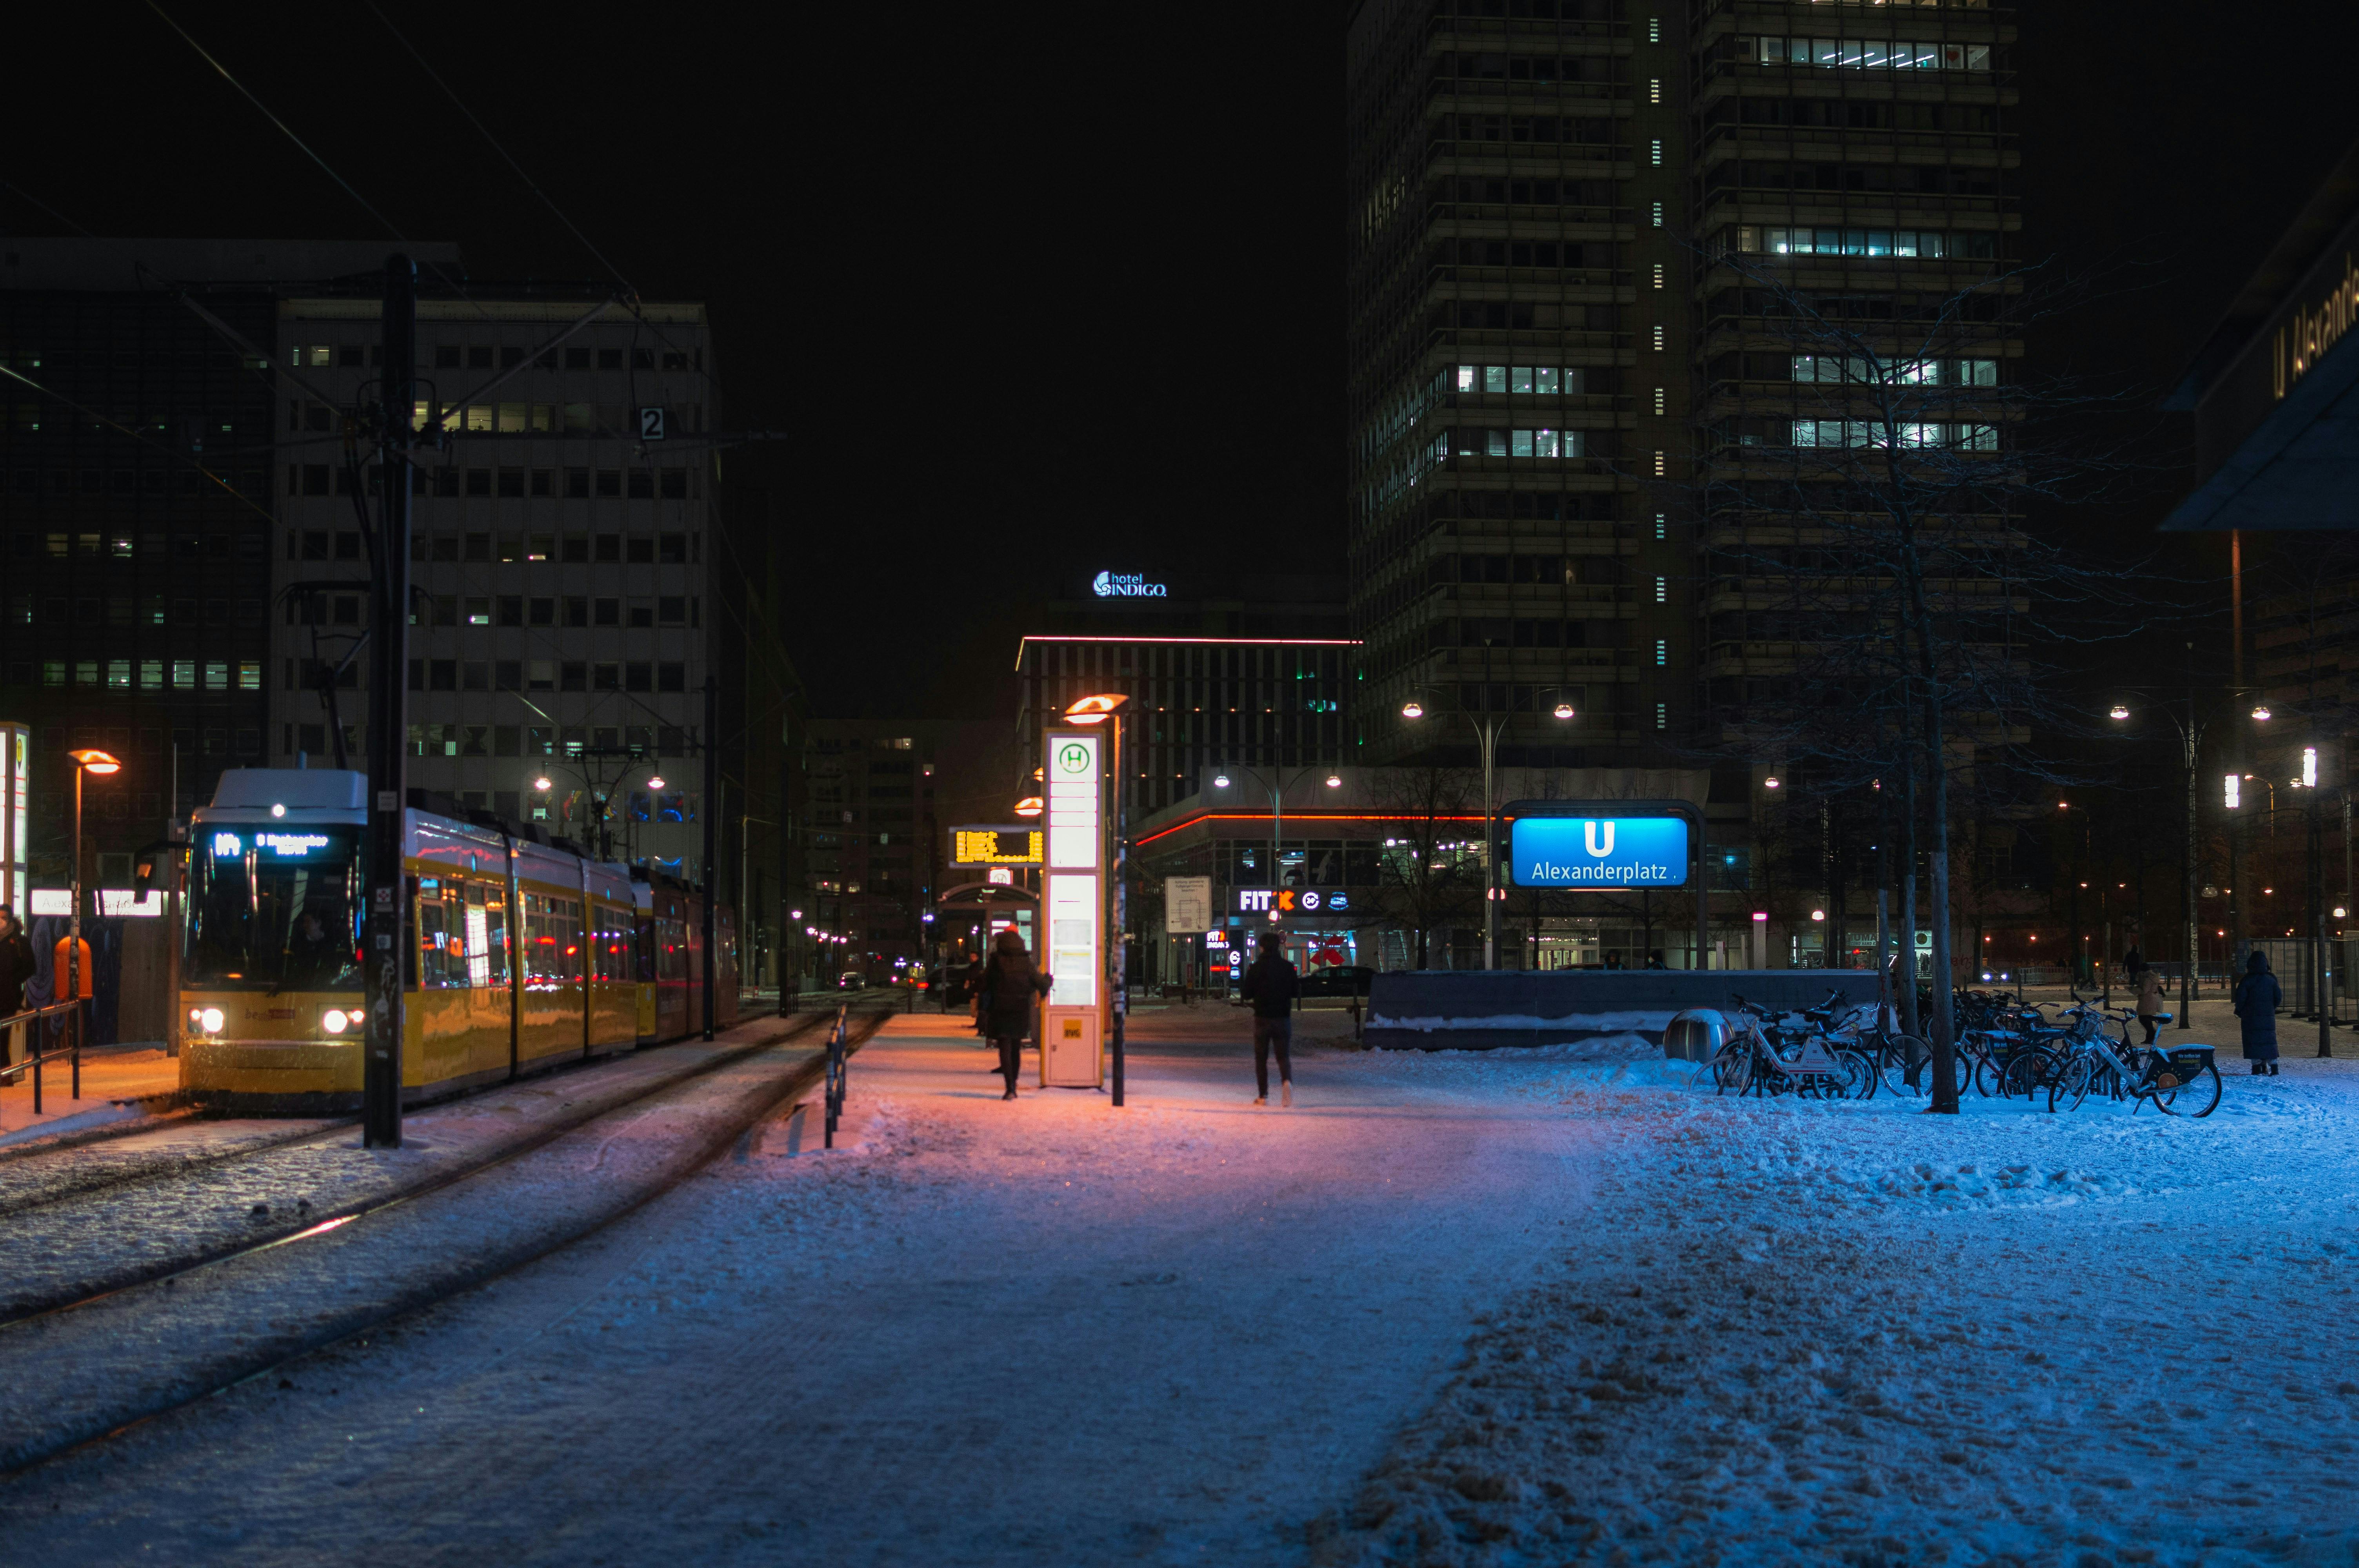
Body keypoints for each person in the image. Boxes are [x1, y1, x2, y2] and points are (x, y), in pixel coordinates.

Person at [977, 929, 1048, 1100]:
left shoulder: (995, 962)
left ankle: (1009, 1087)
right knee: (1016, 1046)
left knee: (1004, 1046)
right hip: (1020, 1009)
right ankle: (1014, 1084)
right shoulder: (1026, 963)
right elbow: (1040, 984)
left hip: (1000, 1009)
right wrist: (1048, 979)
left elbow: (984, 985)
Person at [1238, 931, 1299, 1107]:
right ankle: (1287, 1081)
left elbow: (1247, 994)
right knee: (1283, 1056)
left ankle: (1263, 1095)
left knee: (1261, 1057)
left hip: (1262, 1018)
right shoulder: (1288, 967)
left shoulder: (1255, 968)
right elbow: (1295, 992)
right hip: (1282, 1017)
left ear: (1262, 947)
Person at [2232, 949, 2281, 1076]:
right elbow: (2278, 997)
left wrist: (2240, 1011)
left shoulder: (2247, 980)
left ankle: (2257, 1067)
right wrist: (2271, 1008)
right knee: (2269, 1041)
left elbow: (2240, 999)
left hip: (2250, 1017)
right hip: (2268, 1016)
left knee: (2253, 1041)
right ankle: (2274, 1067)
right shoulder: (2271, 979)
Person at [0, 908, 33, 1074]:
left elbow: (30, 967)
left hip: (8, 998)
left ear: (10, 919)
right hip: (7, 995)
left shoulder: (19, 942)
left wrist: (12, 980)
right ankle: (6, 1074)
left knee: (2, 1037)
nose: (1, 921)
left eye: (4, 918)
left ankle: (5, 1074)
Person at [2133, 960, 2167, 1046]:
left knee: (2144, 1019)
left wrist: (2134, 989)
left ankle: (2153, 1035)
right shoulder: (2152, 977)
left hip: (2146, 1001)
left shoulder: (2147, 978)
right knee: (2147, 1020)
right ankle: (2149, 1039)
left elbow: (2145, 990)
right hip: (2150, 1001)